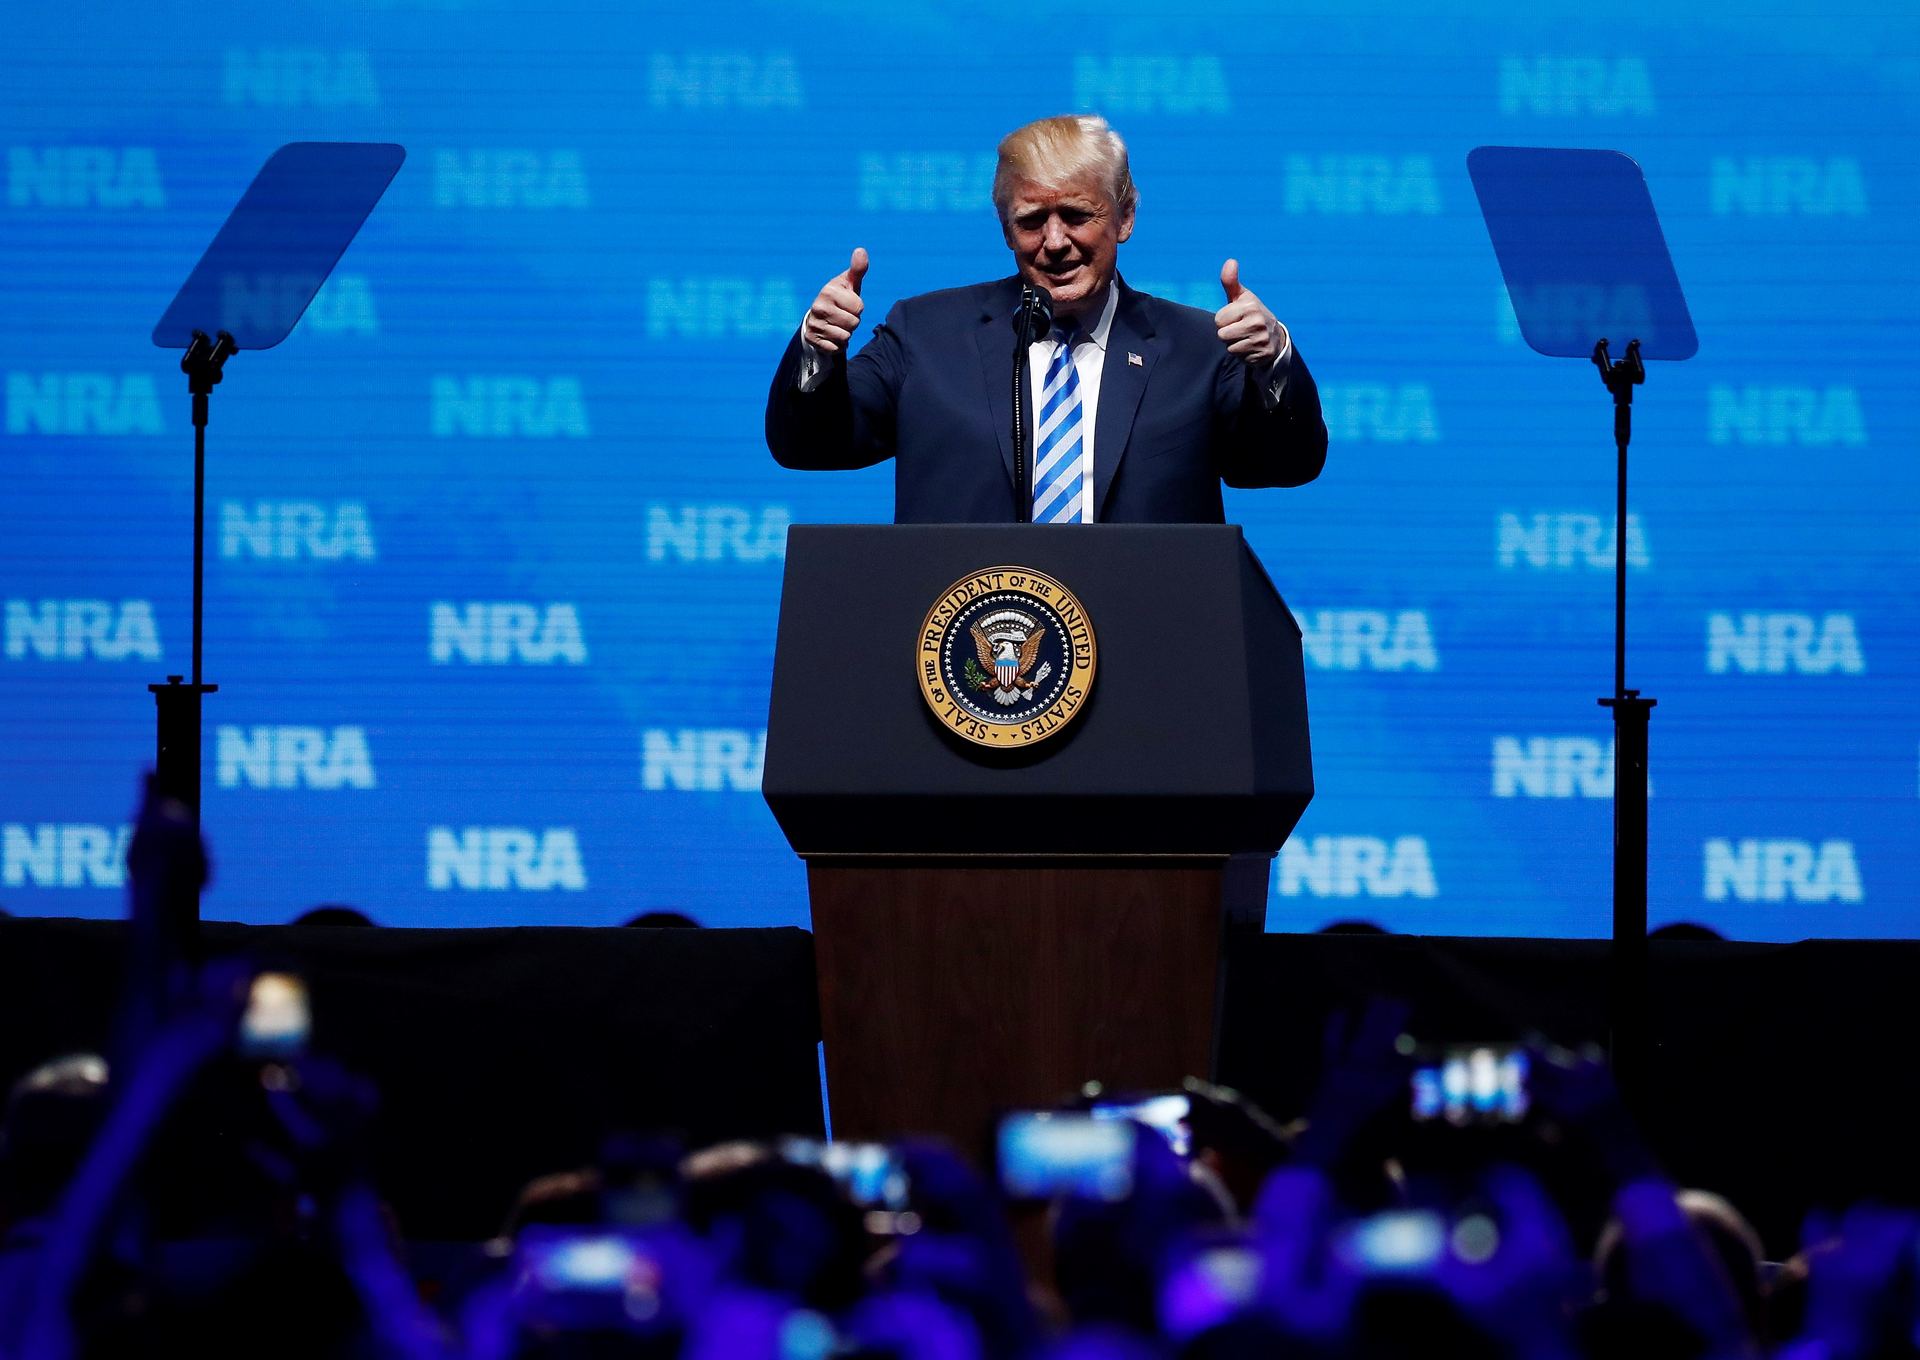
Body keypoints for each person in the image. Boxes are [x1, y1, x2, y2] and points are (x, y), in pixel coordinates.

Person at [766, 114, 1327, 524]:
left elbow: (1283, 463)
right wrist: (818, 348)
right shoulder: (925, 334)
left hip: (1152, 660)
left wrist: (1272, 358)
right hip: (968, 663)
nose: (1054, 242)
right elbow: (810, 446)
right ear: (1005, 228)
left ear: (1125, 216)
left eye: (1077, 215)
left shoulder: (1199, 348)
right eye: (1032, 220)